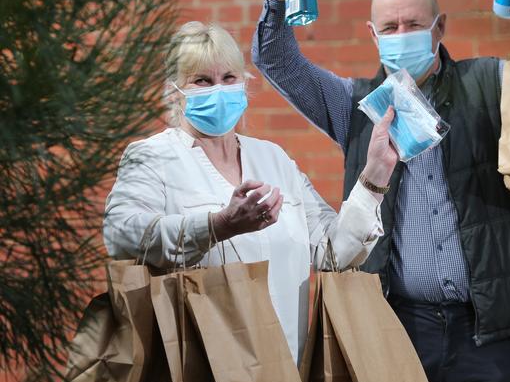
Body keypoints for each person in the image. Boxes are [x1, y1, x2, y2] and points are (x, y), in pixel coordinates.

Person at [252, 0, 510, 382]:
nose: (401, 35)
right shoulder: (357, 106)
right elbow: (277, 61)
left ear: (441, 27)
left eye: (414, 24)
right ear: (372, 35)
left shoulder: (489, 84)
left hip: (486, 330)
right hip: (397, 326)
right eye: (389, 28)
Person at [103, 20, 398, 364]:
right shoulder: (153, 156)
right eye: (201, 80)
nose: (218, 89)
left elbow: (332, 252)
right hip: (200, 375)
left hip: (285, 369)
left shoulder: (272, 158)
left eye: (229, 78)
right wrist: (217, 225)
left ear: (243, 86)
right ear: (175, 92)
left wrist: (375, 174)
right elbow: (121, 235)